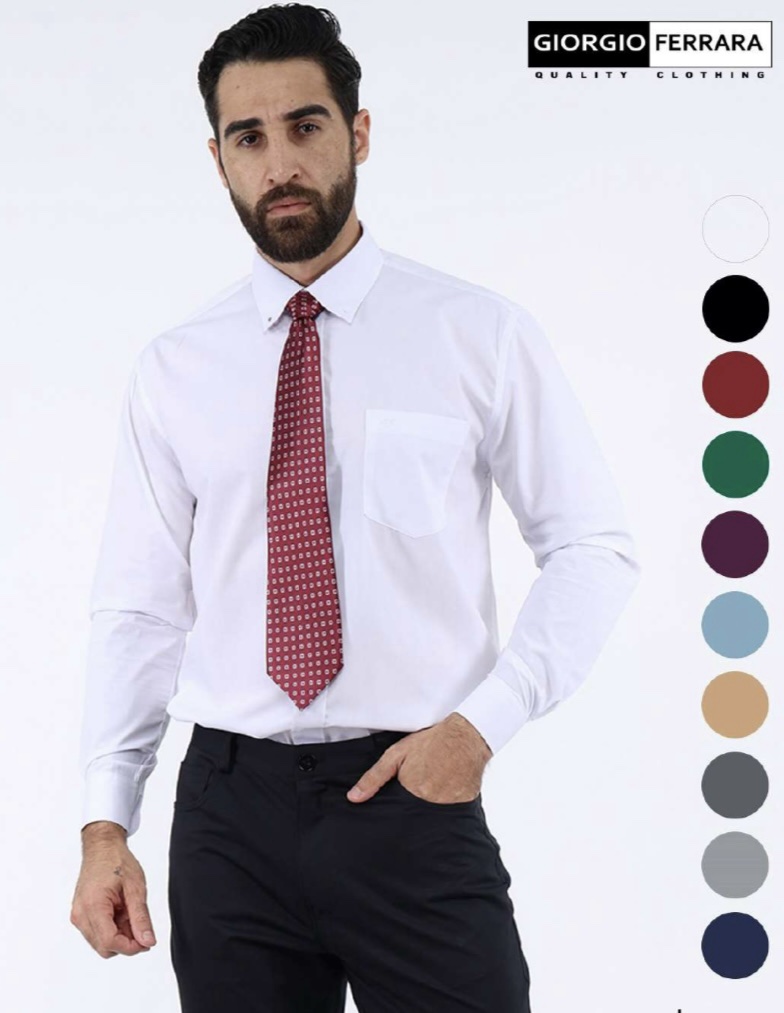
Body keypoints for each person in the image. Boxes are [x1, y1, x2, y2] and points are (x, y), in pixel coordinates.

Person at [70, 4, 641, 1010]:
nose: (280, 162)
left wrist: (481, 725)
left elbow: (593, 546)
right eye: (249, 137)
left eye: (306, 126)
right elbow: (140, 608)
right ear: (218, 159)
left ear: (358, 132)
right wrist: (105, 822)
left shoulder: (477, 334)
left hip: (411, 790)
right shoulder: (175, 369)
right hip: (228, 815)